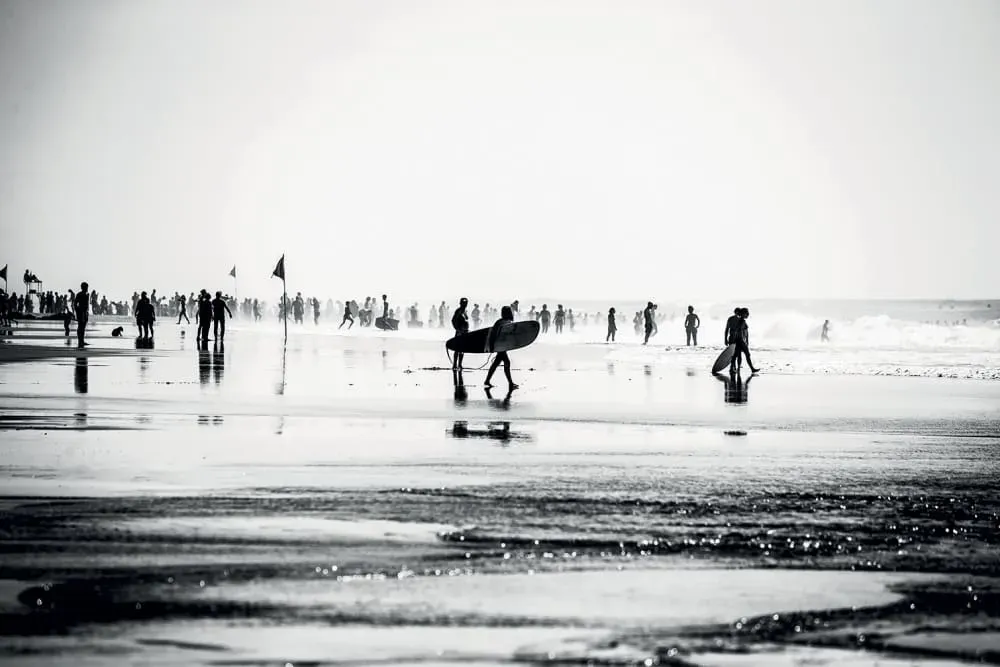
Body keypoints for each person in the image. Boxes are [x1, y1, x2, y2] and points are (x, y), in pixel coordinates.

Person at [484, 305, 518, 389]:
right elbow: (493, 334)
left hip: (503, 345)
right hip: (499, 345)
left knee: (496, 363)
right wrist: (492, 346)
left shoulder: (508, 322)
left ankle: (487, 380)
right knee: (507, 362)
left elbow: (508, 334)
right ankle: (510, 383)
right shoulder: (500, 322)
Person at [733, 307, 760, 374]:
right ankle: (750, 369)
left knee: (738, 355)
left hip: (741, 341)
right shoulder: (741, 321)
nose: (748, 314)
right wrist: (741, 341)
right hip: (740, 341)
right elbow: (737, 331)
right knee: (744, 355)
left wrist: (746, 341)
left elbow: (745, 332)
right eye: (746, 313)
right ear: (743, 314)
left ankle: (737, 368)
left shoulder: (742, 321)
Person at [451, 297, 470, 370]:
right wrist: (457, 329)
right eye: (463, 303)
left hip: (465, 332)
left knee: (462, 349)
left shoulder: (465, 311)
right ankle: (455, 365)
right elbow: (453, 320)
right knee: (457, 348)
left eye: (466, 303)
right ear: (460, 303)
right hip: (459, 332)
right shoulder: (458, 311)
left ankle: (460, 365)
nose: (464, 304)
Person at [73, 282, 89, 347]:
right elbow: (75, 304)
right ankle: (80, 341)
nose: (87, 288)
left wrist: (86, 312)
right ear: (83, 287)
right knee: (80, 327)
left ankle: (82, 340)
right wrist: (78, 311)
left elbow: (86, 305)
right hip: (81, 312)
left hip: (84, 312)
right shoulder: (80, 294)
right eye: (86, 287)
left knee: (83, 327)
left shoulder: (86, 294)